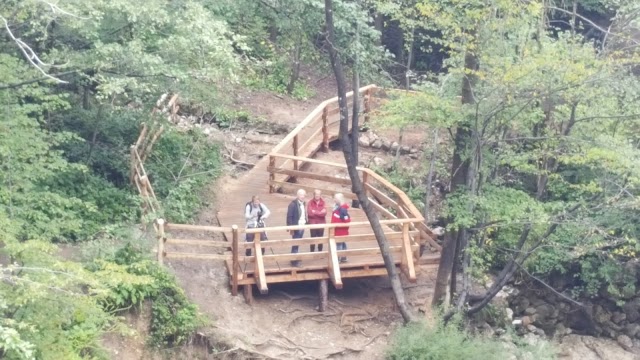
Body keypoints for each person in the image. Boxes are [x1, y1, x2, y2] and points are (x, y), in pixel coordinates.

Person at [286, 189, 307, 267]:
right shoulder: (293, 204)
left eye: (304, 195)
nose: (303, 197)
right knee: (295, 243)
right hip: (296, 227)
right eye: (301, 195)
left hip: (302, 226)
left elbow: (304, 214)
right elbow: (289, 216)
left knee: (298, 243)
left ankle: (295, 257)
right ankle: (294, 260)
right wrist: (291, 228)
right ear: (298, 195)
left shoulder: (303, 203)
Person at [331, 193, 350, 263]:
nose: (334, 200)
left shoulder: (342, 210)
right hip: (337, 230)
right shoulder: (337, 207)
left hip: (340, 231)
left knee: (339, 244)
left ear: (339, 199)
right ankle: (344, 257)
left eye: (335, 198)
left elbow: (347, 220)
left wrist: (338, 223)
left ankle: (338, 258)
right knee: (342, 243)